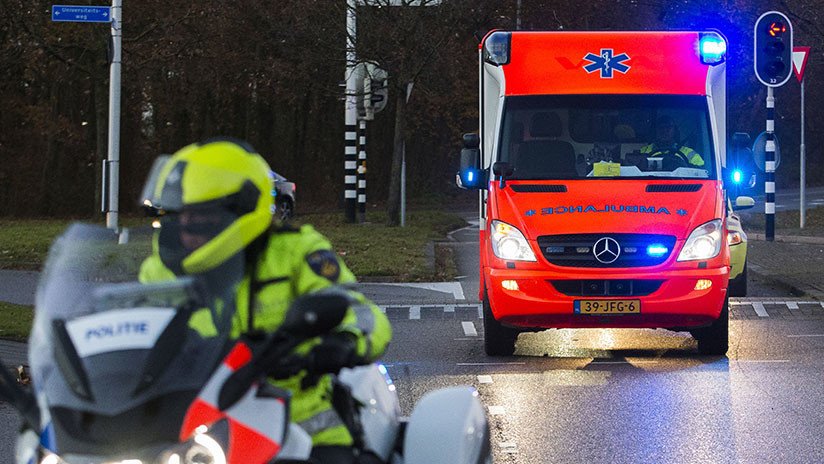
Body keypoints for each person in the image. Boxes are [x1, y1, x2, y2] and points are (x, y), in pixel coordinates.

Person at [138, 138, 391, 463]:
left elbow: (362, 314)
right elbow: (137, 329)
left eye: (198, 218)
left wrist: (342, 343)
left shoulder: (296, 251)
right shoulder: (161, 269)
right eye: (178, 218)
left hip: (301, 430)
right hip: (191, 429)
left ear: (239, 210)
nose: (186, 231)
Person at [640, 115, 704, 167]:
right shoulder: (644, 151)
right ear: (655, 131)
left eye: (668, 127)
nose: (664, 131)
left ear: (675, 131)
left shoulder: (689, 153)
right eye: (661, 128)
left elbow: (702, 171)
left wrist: (684, 166)